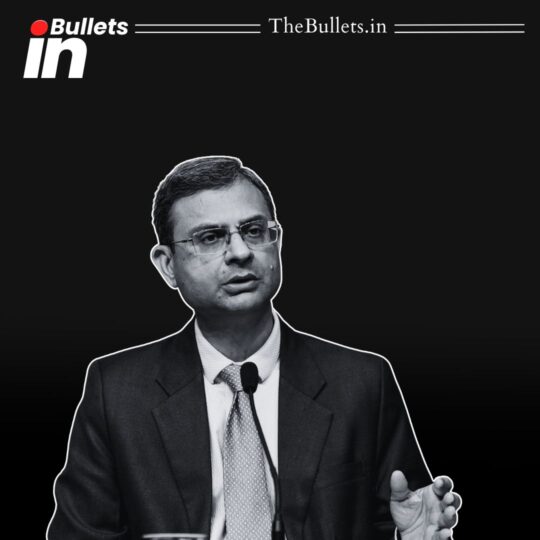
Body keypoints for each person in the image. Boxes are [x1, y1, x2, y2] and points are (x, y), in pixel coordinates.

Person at [47, 156, 461, 540]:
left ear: (276, 241)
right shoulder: (117, 392)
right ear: (167, 265)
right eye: (211, 237)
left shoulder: (362, 382)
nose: (241, 252)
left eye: (254, 231)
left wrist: (412, 539)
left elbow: (403, 516)